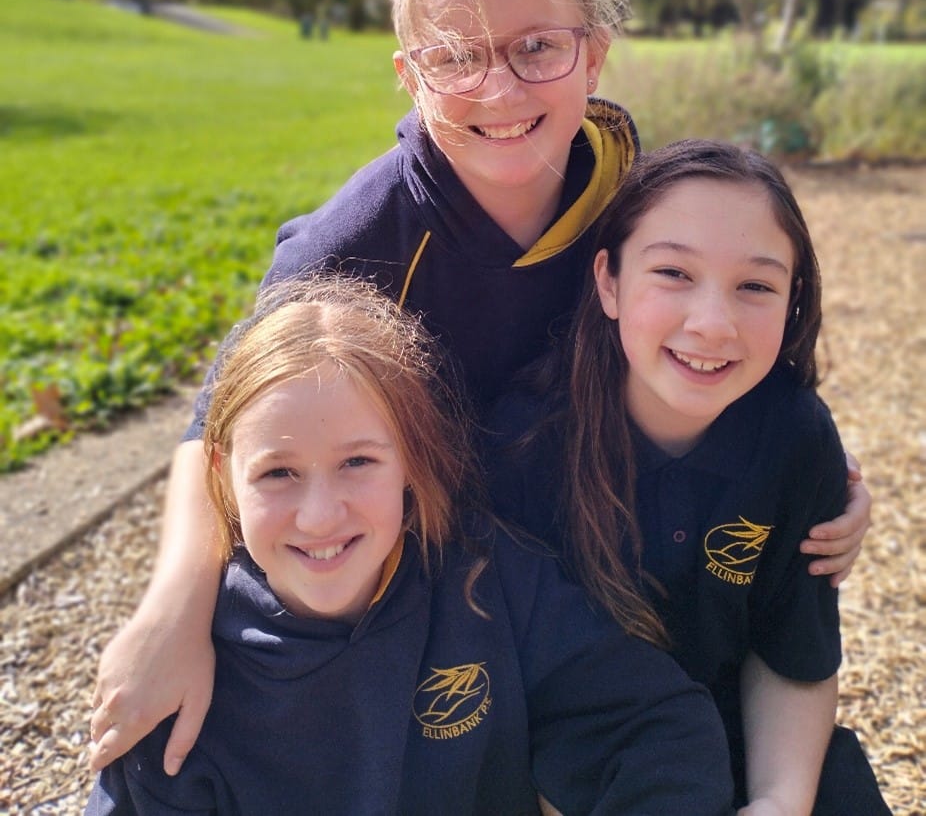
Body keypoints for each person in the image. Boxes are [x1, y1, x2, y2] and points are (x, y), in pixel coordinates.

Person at [90, 0, 870, 774]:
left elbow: (715, 310)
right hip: (431, 561)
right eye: (454, 56)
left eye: (536, 46)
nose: (499, 89)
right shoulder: (351, 244)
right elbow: (226, 419)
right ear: (408, 74)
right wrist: (172, 607)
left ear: (594, 53)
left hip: (583, 536)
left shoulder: (625, 188)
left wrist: (802, 483)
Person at [85, 275, 737, 816]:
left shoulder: (490, 583)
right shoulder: (179, 682)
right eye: (278, 472)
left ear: (412, 460)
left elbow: (658, 725)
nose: (318, 515)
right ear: (222, 470)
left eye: (359, 462)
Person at [488, 140, 891, 815]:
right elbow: (508, 695)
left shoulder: (795, 439)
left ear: (795, 299)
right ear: (609, 282)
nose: (712, 323)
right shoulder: (523, 443)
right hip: (582, 764)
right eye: (674, 272)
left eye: (755, 286)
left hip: (742, 738)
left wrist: (776, 802)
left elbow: (792, 649)